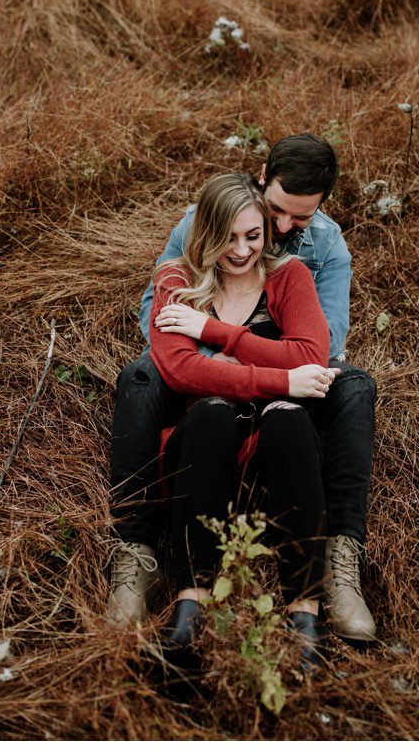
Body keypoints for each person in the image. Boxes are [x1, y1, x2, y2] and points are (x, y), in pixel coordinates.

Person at [105, 133, 379, 643]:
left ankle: (341, 556)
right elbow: (160, 323)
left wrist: (229, 343)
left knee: (356, 385)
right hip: (211, 373)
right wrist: (212, 363)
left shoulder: (319, 251)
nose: (278, 230)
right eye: (275, 211)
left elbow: (324, 345)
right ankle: (135, 550)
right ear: (261, 178)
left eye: (296, 219)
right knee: (141, 376)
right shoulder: (197, 233)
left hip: (290, 379)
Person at [145, 174, 340, 671]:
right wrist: (284, 379)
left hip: (274, 462)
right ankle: (189, 611)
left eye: (253, 236)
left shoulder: (289, 276)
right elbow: (181, 369)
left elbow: (311, 354)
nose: (240, 250)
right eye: (228, 237)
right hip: (202, 459)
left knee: (289, 420)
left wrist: (219, 336)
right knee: (211, 413)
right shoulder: (176, 280)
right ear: (206, 230)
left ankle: (305, 618)